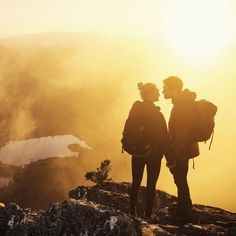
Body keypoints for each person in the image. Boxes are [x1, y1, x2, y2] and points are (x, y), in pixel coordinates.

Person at [124, 82, 173, 218]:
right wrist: (171, 160)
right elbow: (164, 139)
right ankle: (148, 214)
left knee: (136, 183)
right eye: (156, 92)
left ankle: (132, 212)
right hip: (154, 156)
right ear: (151, 94)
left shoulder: (135, 109)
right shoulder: (157, 114)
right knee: (151, 185)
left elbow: (128, 128)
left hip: (137, 153)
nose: (158, 94)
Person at [162, 76, 199, 220]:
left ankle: (183, 211)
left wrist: (174, 156)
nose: (163, 90)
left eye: (166, 87)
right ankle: (185, 204)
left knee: (180, 178)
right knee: (180, 178)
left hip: (181, 152)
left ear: (175, 89)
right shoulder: (180, 103)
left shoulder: (183, 106)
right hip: (182, 150)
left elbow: (183, 134)